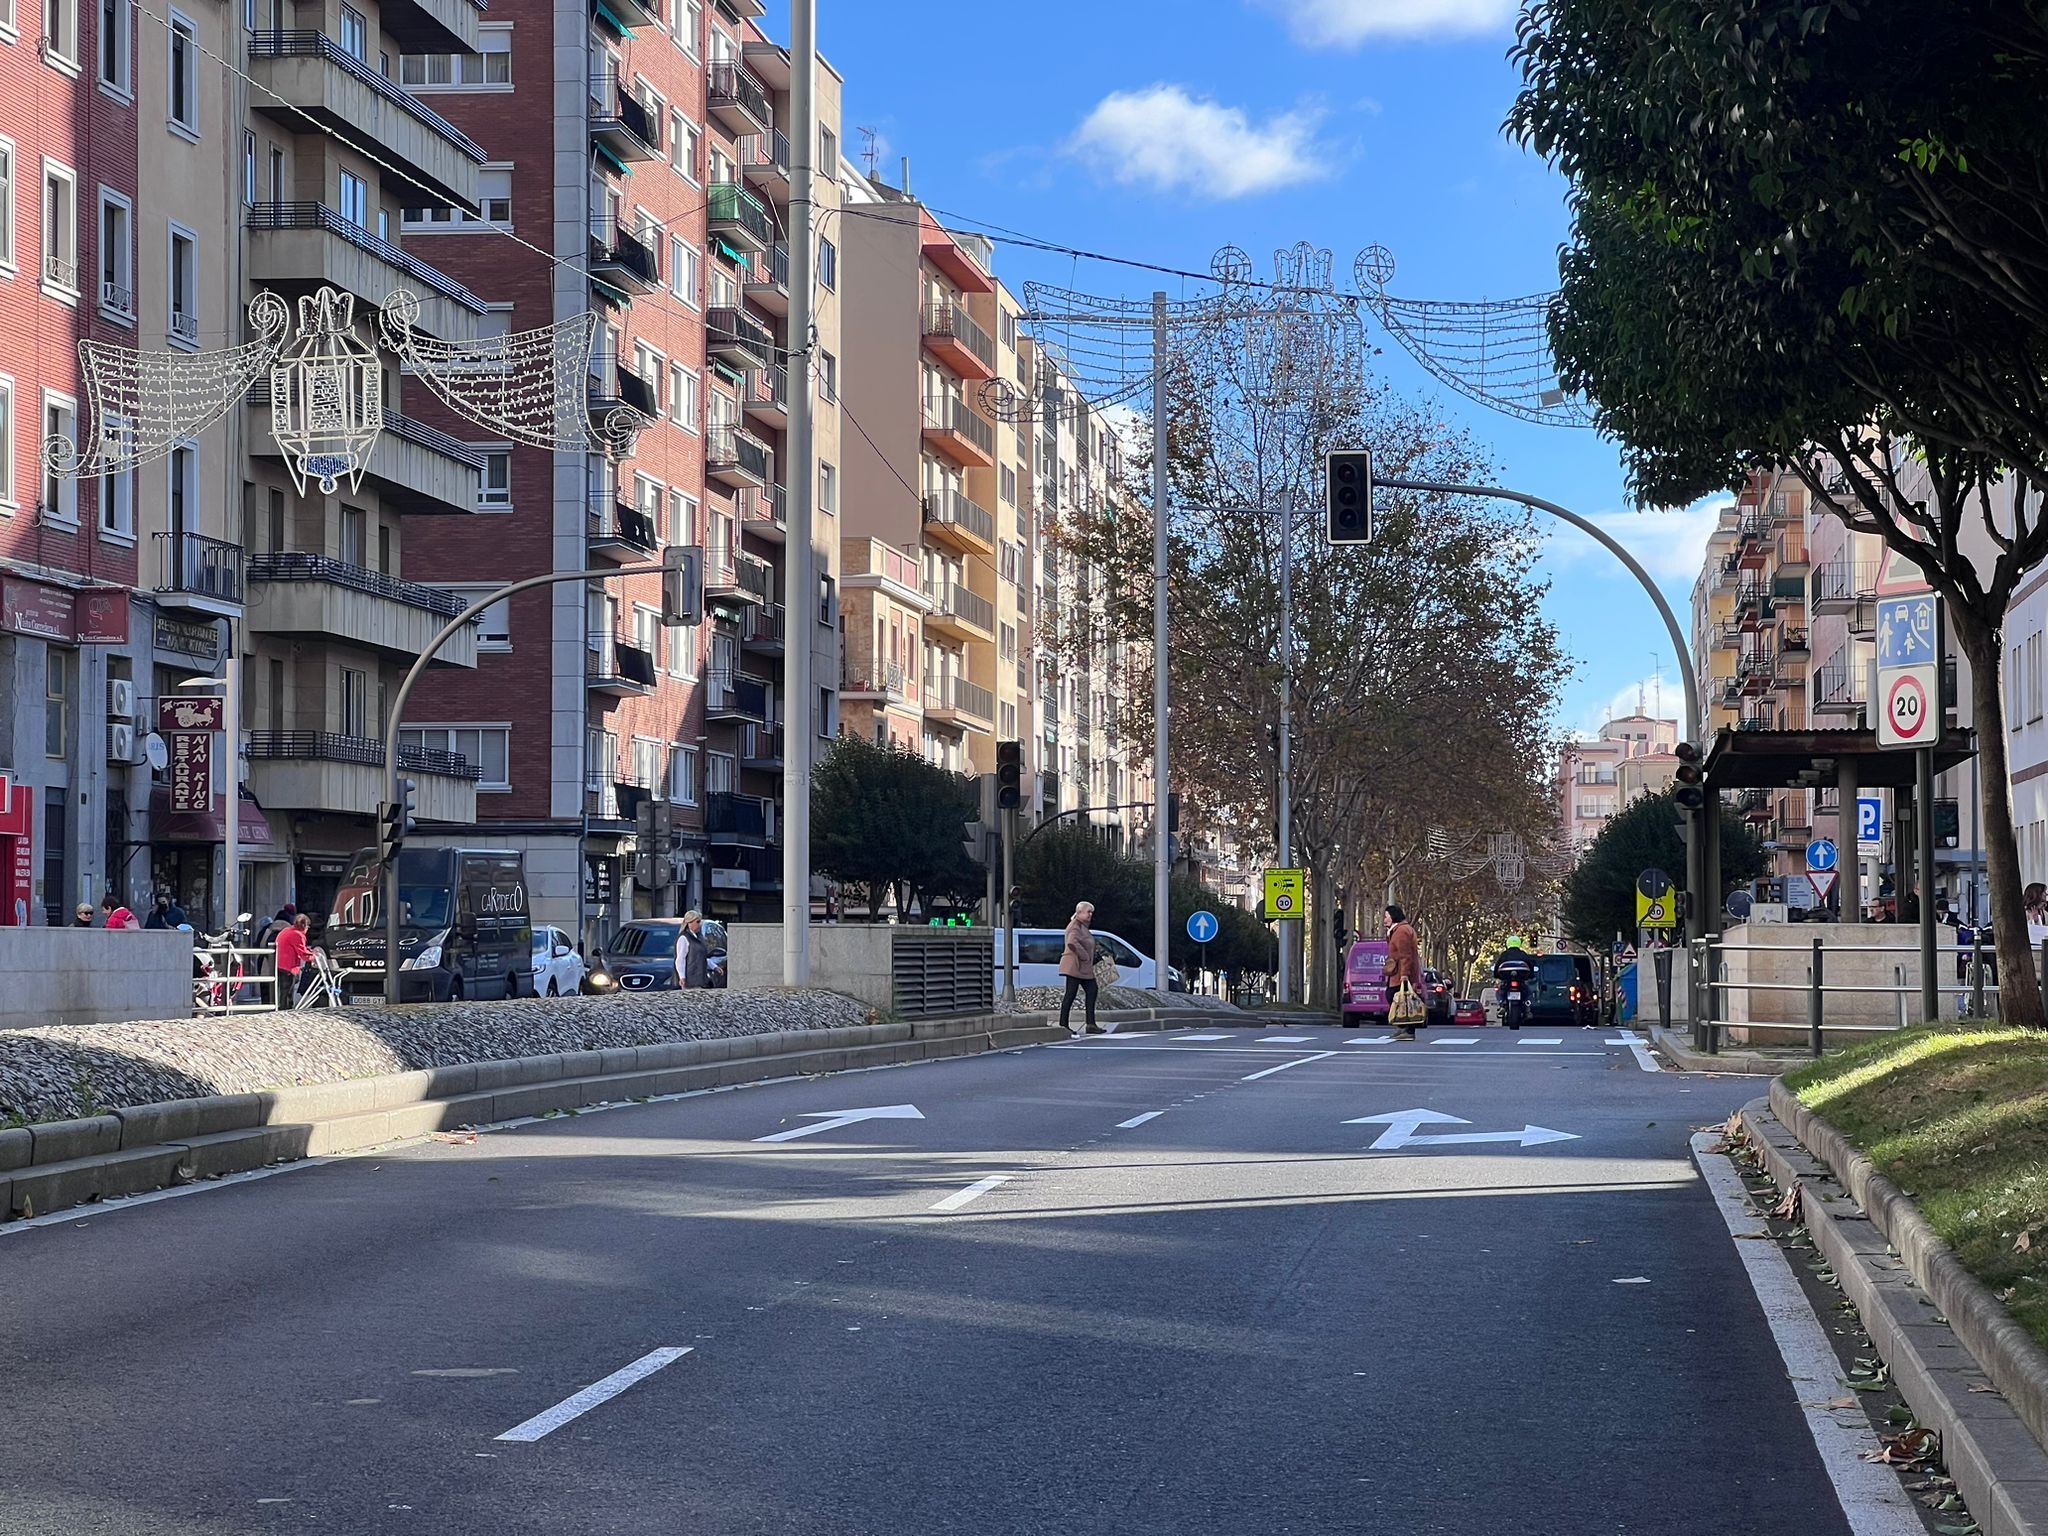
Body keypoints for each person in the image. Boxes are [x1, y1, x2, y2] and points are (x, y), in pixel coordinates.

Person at [1058, 900, 1104, 1035]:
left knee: (1092, 990)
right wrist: (1085, 956)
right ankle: (1063, 1024)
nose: (1090, 915)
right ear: (1079, 912)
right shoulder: (1075, 926)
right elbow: (1072, 943)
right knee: (1071, 994)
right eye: (1088, 912)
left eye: (1091, 912)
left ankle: (1090, 1024)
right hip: (1075, 966)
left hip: (1083, 967)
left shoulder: (1082, 926)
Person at [1384, 904, 1424, 1041]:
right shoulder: (1399, 930)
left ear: (1393, 916)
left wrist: (1404, 975)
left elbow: (1405, 955)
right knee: (1399, 999)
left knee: (1398, 998)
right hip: (1399, 972)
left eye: (1386, 917)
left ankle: (1407, 1029)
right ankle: (1403, 1028)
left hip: (1401, 973)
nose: (1384, 920)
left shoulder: (1401, 932)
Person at [1493, 934, 1536, 1029]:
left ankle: (1502, 1004)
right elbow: (1530, 966)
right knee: (1528, 991)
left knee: (1501, 991)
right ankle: (1527, 1006)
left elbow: (1497, 966)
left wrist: (1496, 975)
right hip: (1520, 980)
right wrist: (1531, 975)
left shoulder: (1504, 954)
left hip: (1507, 980)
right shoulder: (1523, 954)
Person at [274, 912, 311, 1008]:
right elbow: (304, 954)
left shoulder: (287, 930)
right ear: (305, 926)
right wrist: (314, 956)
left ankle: (283, 1009)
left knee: (283, 992)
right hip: (288, 967)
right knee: (287, 993)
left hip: (280, 964)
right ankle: (286, 1011)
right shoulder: (297, 935)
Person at [677, 910, 709, 989]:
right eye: (697, 922)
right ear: (689, 923)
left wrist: (714, 966)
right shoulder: (684, 938)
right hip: (690, 979)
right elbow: (680, 959)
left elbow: (701, 957)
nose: (700, 924)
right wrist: (682, 977)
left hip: (699, 978)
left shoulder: (699, 937)